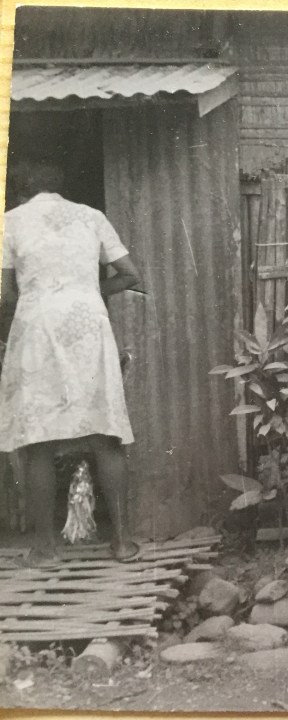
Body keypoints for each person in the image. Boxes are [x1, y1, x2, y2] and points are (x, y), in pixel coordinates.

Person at [0, 161, 141, 565]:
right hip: (87, 322)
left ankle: (45, 549)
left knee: (38, 438)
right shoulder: (92, 216)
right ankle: (122, 544)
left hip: (37, 326)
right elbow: (130, 275)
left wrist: (39, 296)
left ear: (22, 190)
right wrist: (87, 289)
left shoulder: (10, 222)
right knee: (105, 430)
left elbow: (5, 294)